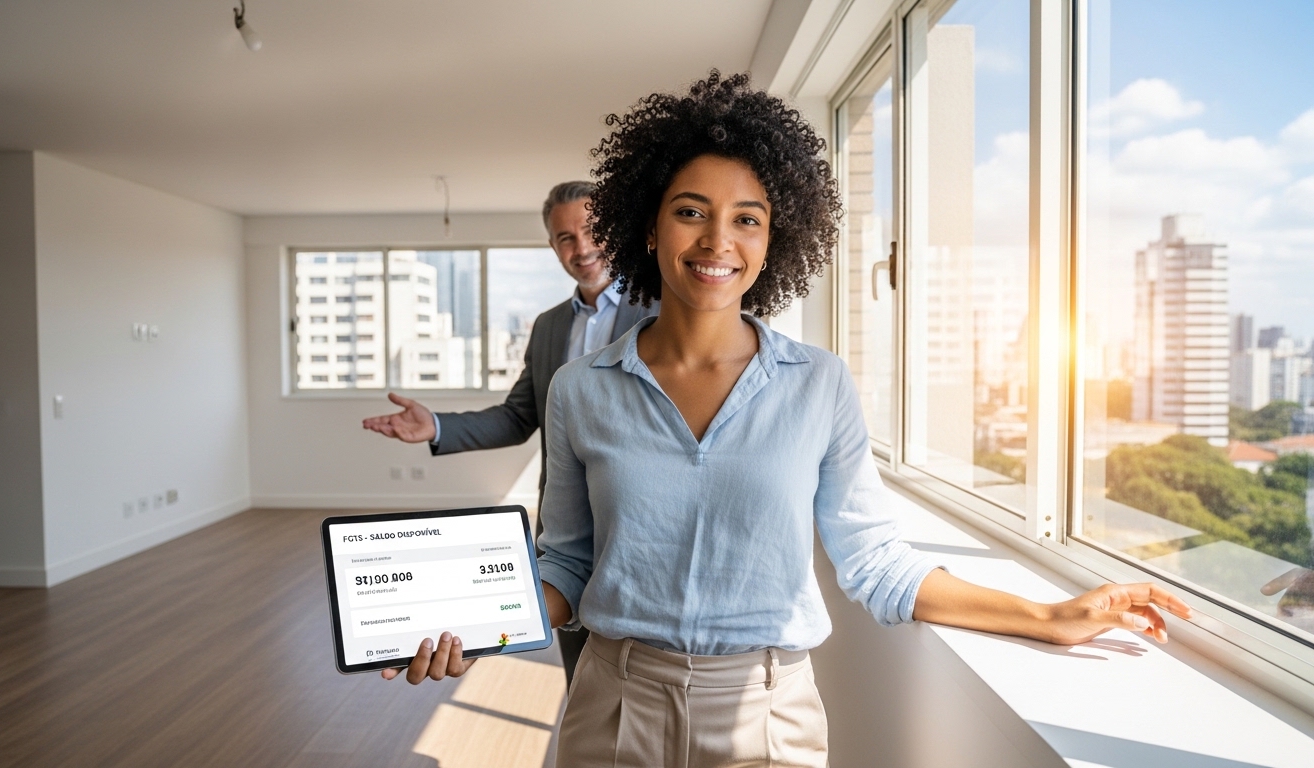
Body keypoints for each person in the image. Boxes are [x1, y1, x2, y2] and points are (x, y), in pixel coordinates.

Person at [382, 72, 1193, 768]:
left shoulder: (820, 386)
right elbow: (565, 561)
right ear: (648, 225)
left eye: (748, 218)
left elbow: (876, 564)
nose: (717, 240)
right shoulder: (580, 388)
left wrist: (1050, 618)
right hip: (612, 704)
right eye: (690, 211)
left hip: (768, 714)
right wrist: (475, 621)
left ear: (776, 237)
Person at [361, 180, 655, 687]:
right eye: (565, 237)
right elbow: (520, 416)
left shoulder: (662, 310)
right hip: (565, 528)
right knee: (582, 679)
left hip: (640, 520)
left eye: (590, 230)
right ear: (552, 247)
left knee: (643, 678)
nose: (580, 247)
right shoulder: (547, 327)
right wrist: (436, 426)